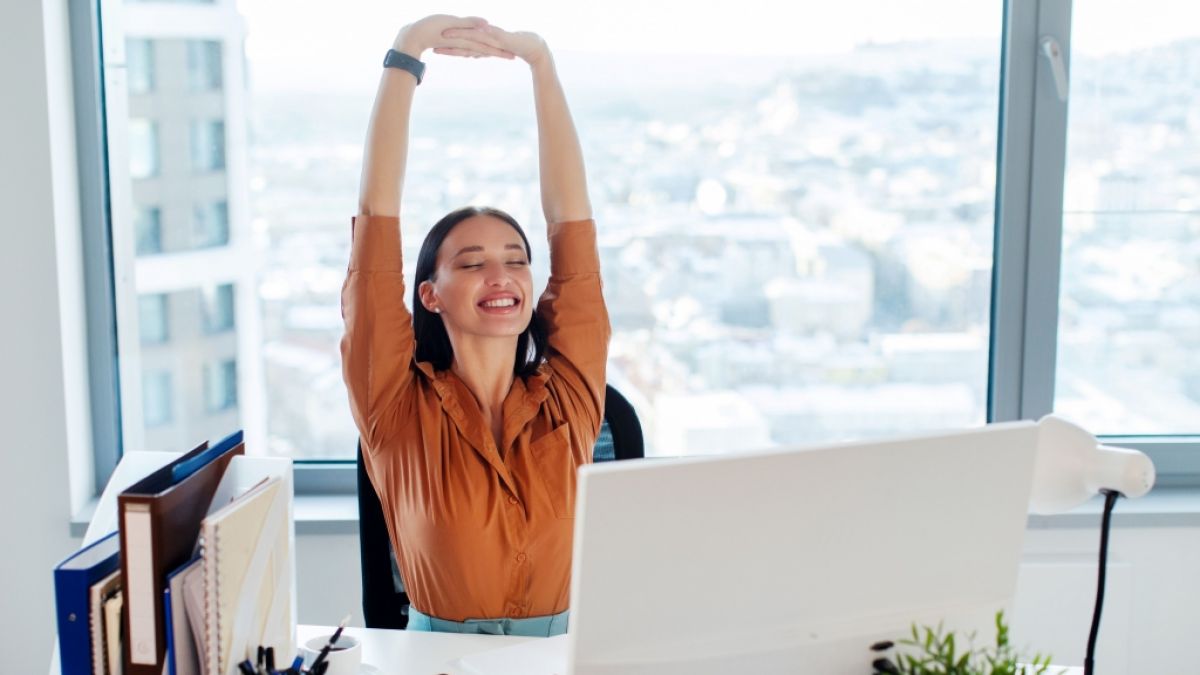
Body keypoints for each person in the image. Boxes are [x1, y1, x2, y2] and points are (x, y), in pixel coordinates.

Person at [340, 14, 609, 637]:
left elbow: (573, 224)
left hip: (563, 661)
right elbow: (374, 222)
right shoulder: (394, 409)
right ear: (430, 295)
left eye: (516, 261)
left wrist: (540, 64)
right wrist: (405, 55)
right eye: (473, 263)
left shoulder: (569, 398)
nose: (502, 276)